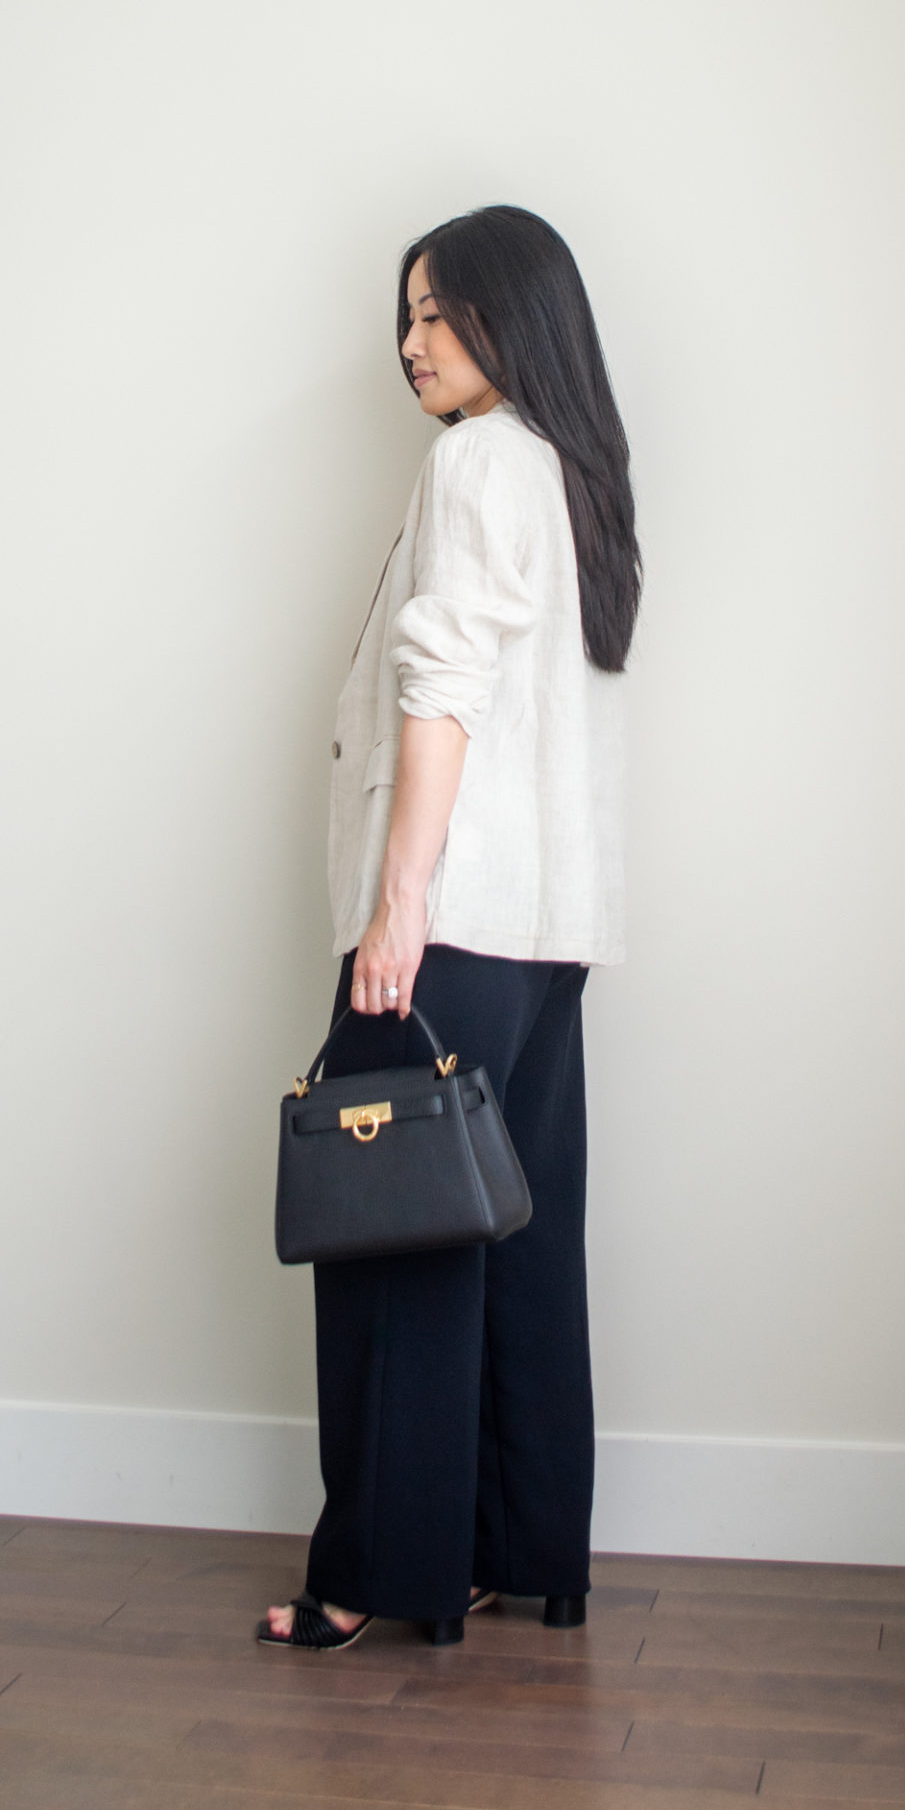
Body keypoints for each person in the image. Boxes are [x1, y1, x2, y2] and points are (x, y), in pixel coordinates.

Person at [256, 204, 640, 1651]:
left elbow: (446, 690)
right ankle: (518, 1545)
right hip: (548, 933)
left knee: (394, 1244)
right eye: (403, 316)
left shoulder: (477, 463)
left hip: (455, 918)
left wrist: (398, 904)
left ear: (512, 315)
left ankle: (375, 1572)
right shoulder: (574, 478)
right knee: (520, 1236)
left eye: (437, 313)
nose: (409, 344)